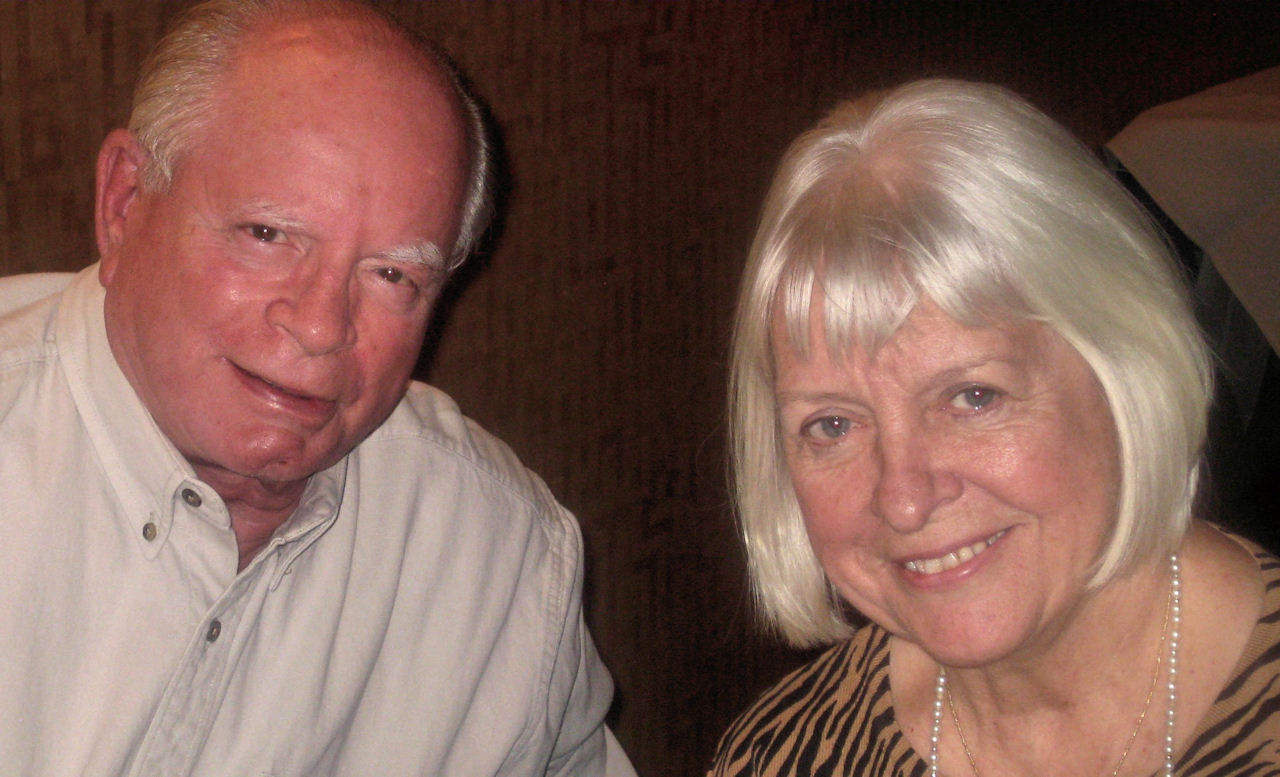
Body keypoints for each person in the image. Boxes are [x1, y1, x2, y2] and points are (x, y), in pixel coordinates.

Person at [0, 1, 635, 774]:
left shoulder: (500, 563)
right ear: (125, 202)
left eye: (392, 274)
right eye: (268, 234)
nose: (321, 324)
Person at [708, 79, 1280, 776]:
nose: (904, 498)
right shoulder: (779, 759)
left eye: (973, 396)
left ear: (1128, 371)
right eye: (832, 425)